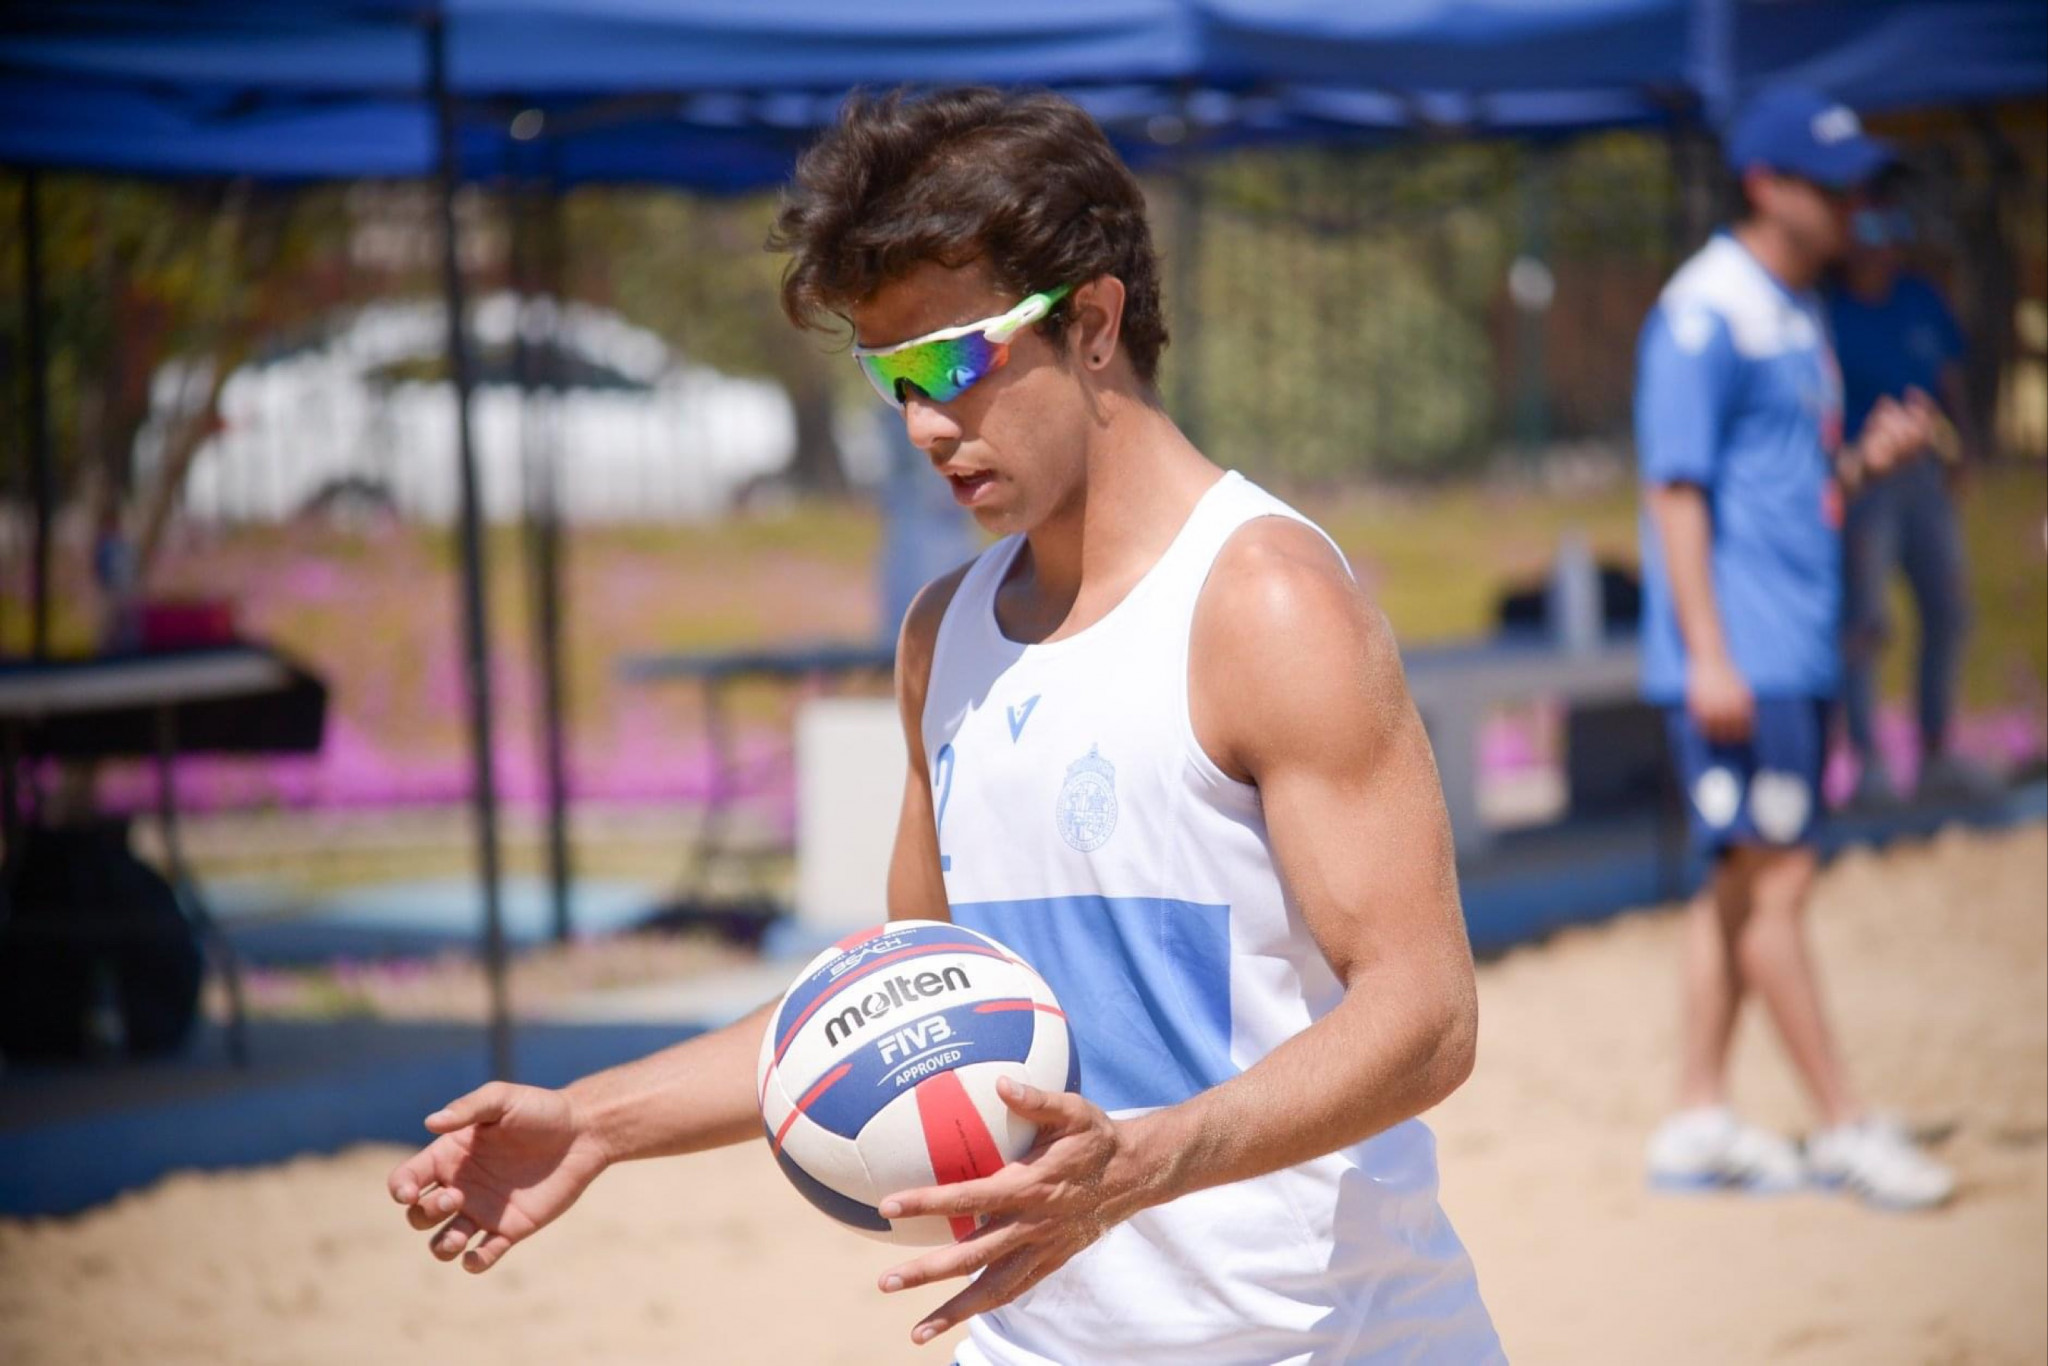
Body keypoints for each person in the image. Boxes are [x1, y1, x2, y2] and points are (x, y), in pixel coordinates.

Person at [387, 88, 1502, 1362]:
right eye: (888, 376)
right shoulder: (943, 636)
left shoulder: (1263, 601)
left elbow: (1426, 1014)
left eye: (953, 363)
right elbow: (894, 1004)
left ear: (1093, 323)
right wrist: (596, 1119)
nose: (921, 424)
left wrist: (1144, 1162)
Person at [1634, 84, 1955, 1211]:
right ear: (1767, 186)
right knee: (1778, 882)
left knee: (1737, 883)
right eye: (1834, 187)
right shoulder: (1705, 311)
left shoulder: (1792, 306)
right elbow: (1675, 492)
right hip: (1746, 660)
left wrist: (1863, 463)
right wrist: (1709, 655)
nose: (1854, 206)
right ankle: (1842, 1124)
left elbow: (1783, 486)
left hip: (1791, 647)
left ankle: (1696, 1114)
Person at [1825, 195, 2000, 805]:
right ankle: (1866, 760)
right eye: (1871, 228)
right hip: (1864, 480)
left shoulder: (1920, 298)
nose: (1885, 243)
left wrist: (1965, 446)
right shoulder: (1828, 312)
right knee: (1864, 621)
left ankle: (1935, 753)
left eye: (1894, 226)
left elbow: (1948, 380)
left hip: (1924, 476)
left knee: (1949, 609)